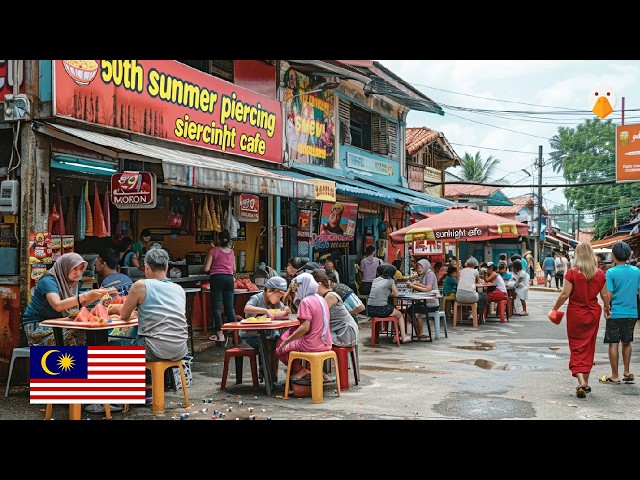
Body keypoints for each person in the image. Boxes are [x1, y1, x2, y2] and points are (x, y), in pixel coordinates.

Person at [549, 242, 609, 398]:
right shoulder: (600, 274)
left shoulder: (572, 273)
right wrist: (607, 308)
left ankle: (582, 381)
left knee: (576, 347)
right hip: (593, 314)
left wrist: (555, 309)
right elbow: (604, 296)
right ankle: (584, 383)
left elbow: (564, 294)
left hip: (576, 314)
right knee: (588, 347)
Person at [22, 253, 111, 346]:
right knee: (79, 334)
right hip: (37, 327)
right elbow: (58, 305)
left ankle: (94, 359)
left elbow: (74, 306)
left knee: (97, 332)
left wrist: (96, 296)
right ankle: (79, 360)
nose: (78, 272)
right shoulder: (48, 281)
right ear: (65, 267)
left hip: (59, 324)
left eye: (81, 269)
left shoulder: (72, 283)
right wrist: (86, 295)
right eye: (74, 269)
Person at [275, 272, 332, 380]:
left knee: (280, 347)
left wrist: (286, 342)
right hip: (326, 342)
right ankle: (316, 372)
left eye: (297, 289)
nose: (296, 292)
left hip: (311, 344)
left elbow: (305, 328)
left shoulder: (306, 302)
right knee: (290, 340)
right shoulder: (321, 299)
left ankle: (301, 370)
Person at [600, 240, 640, 385]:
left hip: (615, 313)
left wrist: (606, 308)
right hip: (631, 313)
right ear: (629, 255)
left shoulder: (610, 272)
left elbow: (608, 295)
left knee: (613, 343)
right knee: (627, 342)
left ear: (613, 256)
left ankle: (615, 375)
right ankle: (627, 371)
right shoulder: (637, 271)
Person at [241, 276, 291, 383]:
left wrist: (286, 309)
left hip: (269, 333)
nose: (279, 299)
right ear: (269, 291)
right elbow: (247, 308)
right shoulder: (257, 298)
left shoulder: (276, 303)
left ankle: (273, 377)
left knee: (277, 346)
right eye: (278, 296)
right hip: (251, 334)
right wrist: (265, 311)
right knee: (267, 345)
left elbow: (283, 309)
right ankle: (266, 374)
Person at [203, 229, 236, 343]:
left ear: (218, 239)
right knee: (230, 307)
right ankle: (235, 333)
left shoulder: (213, 250)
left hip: (217, 279)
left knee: (217, 307)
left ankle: (220, 334)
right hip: (229, 279)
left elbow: (206, 268)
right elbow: (234, 269)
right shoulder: (231, 252)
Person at [366, 264, 411, 343]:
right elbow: (396, 294)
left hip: (370, 309)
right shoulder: (390, 281)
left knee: (393, 311)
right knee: (399, 315)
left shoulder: (376, 280)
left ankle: (395, 335)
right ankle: (403, 336)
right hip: (382, 309)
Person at [313, 269, 359, 347]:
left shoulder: (330, 296)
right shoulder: (326, 296)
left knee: (313, 339)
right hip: (339, 331)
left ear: (319, 284)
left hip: (345, 334)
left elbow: (318, 315)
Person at [406, 259, 440, 337]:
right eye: (418, 267)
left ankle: (420, 334)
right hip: (424, 302)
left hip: (432, 304)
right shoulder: (424, 275)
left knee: (416, 312)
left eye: (421, 267)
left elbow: (428, 289)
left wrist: (413, 285)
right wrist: (416, 284)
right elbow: (425, 287)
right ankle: (418, 332)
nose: (419, 269)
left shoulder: (430, 274)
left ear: (425, 266)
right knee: (409, 311)